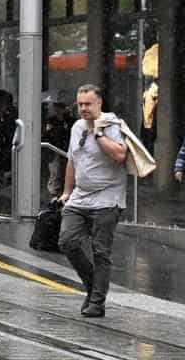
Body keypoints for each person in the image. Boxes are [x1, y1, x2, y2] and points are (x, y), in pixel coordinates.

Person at [59, 84, 127, 319]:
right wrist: (67, 192)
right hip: (80, 197)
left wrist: (98, 133)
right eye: (80, 104)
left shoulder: (112, 124)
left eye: (88, 104)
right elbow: (72, 160)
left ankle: (97, 302)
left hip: (108, 198)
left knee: (101, 252)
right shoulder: (77, 127)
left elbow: (120, 154)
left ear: (99, 103)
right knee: (67, 242)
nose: (83, 108)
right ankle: (92, 287)